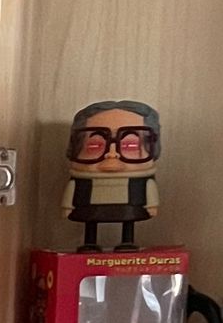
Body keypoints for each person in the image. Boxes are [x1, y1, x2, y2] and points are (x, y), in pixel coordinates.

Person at [62, 99, 161, 248]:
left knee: (128, 224)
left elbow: (150, 193)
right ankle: (90, 243)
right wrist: (68, 207)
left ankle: (127, 241)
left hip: (129, 209)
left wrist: (151, 206)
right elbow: (71, 193)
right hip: (90, 209)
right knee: (91, 224)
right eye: (95, 145)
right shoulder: (82, 183)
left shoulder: (140, 183)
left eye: (130, 145)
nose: (112, 154)